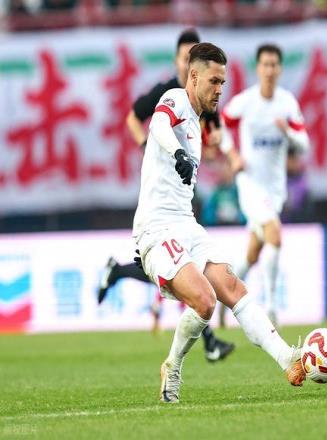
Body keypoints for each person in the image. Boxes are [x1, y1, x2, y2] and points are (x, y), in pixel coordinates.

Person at [133, 42, 306, 403]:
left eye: (223, 83)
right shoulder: (175, 99)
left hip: (186, 224)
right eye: (213, 81)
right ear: (193, 77)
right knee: (205, 301)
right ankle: (173, 365)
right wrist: (177, 152)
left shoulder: (198, 125)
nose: (219, 90)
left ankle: (287, 357)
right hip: (157, 227)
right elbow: (159, 124)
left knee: (233, 287)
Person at [98, 28, 234, 363]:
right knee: (181, 265)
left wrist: (216, 148)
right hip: (161, 190)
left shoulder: (206, 95)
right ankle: (210, 341)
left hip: (186, 190)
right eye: (185, 56)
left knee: (177, 266)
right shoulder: (166, 93)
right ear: (178, 61)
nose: (189, 63)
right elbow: (134, 118)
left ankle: (118, 271)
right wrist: (150, 146)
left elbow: (213, 141)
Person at [219, 44, 310, 326]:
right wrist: (233, 155)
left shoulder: (287, 103)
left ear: (279, 69)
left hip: (275, 189)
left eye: (274, 65)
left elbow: (304, 144)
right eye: (265, 65)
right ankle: (271, 307)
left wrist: (288, 133)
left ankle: (224, 295)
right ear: (258, 69)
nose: (269, 70)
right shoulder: (245, 102)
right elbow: (220, 123)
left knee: (253, 252)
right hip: (250, 184)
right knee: (274, 233)